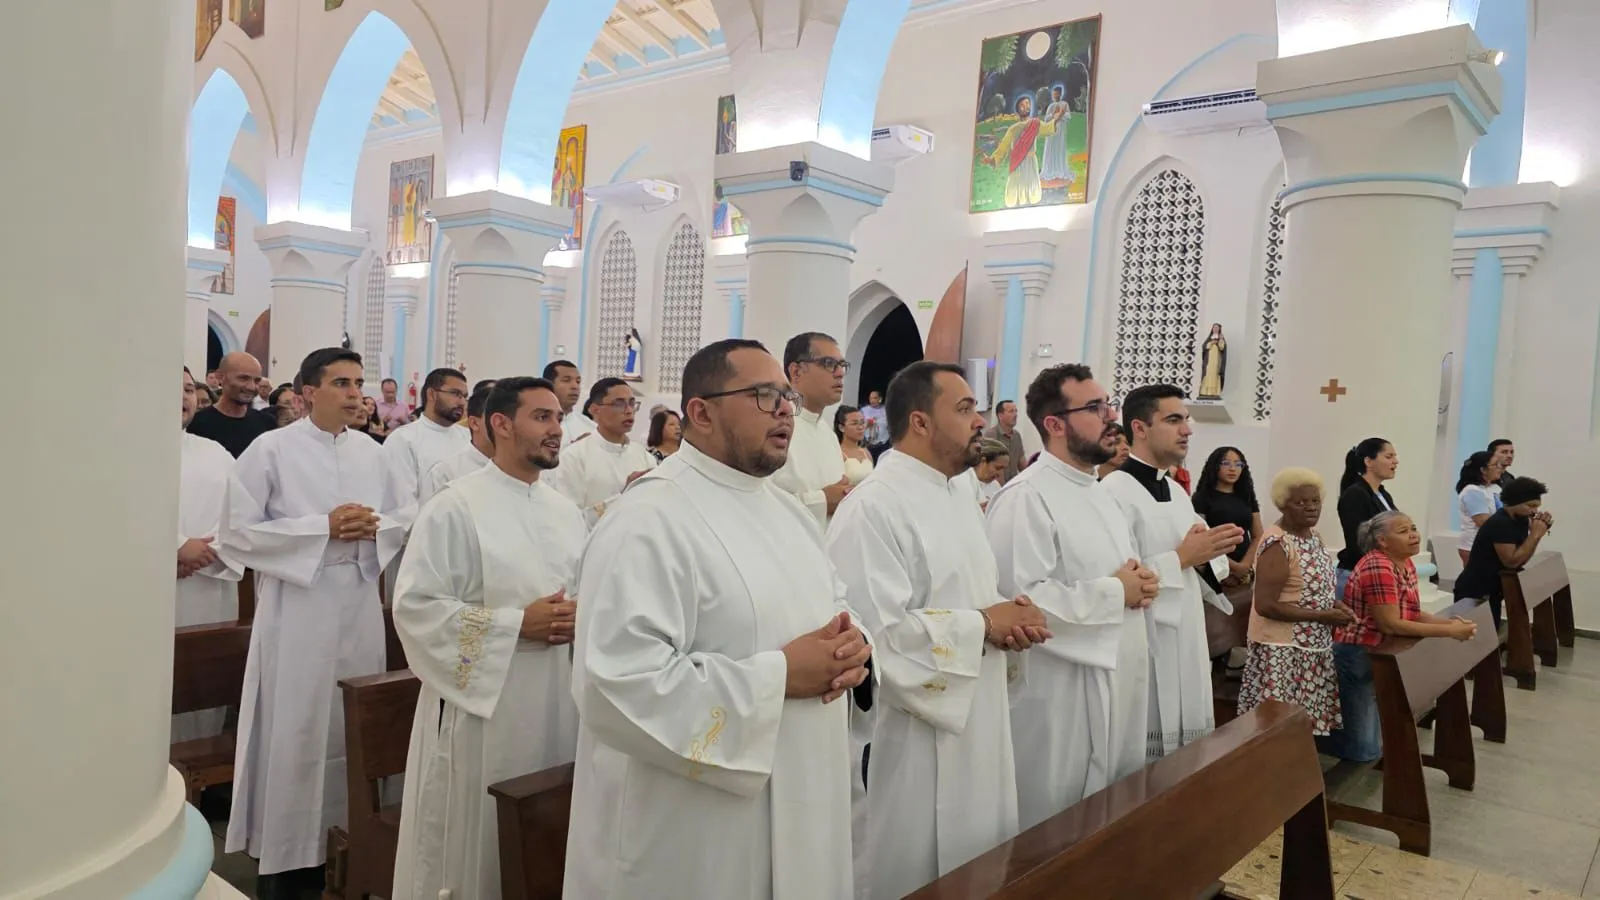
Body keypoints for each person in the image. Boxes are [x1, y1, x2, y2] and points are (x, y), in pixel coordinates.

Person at [564, 339, 872, 899]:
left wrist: (856, 650)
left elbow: (836, 606)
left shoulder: (786, 510)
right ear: (699, 413)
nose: (785, 408)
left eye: (784, 394)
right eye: (763, 395)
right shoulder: (649, 519)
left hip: (804, 799)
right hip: (696, 838)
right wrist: (780, 677)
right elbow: (614, 683)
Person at [828, 362, 1046, 900]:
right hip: (913, 739)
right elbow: (874, 639)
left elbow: (965, 599)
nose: (981, 421)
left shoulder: (956, 495)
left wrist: (1005, 618)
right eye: (966, 409)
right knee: (916, 870)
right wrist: (985, 625)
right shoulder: (873, 508)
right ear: (921, 422)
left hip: (980, 714)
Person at [390, 377, 584, 900]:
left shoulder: (565, 511)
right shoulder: (455, 506)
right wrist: (518, 624)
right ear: (500, 423)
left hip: (560, 702)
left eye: (558, 419)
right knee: (481, 846)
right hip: (486, 709)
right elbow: (416, 608)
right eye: (542, 418)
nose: (556, 430)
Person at [220, 349, 404, 895]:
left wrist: (377, 527)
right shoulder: (271, 449)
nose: (354, 393)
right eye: (340, 383)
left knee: (354, 723)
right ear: (306, 392)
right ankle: (289, 860)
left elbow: (405, 515)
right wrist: (320, 528)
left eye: (358, 383)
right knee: (297, 726)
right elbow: (236, 531)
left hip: (357, 604)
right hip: (297, 609)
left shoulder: (376, 452)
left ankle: (351, 847)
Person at [985, 364, 1158, 828]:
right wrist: (1115, 591)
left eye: (1109, 404)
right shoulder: (1027, 497)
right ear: (1054, 424)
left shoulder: (1098, 492)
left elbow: (1113, 574)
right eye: (1095, 408)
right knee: (1051, 827)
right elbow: (1019, 602)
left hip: (1114, 678)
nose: (1111, 417)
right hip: (1058, 695)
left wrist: (1140, 581)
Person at [1101, 384, 1242, 760]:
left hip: (1187, 633)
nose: (1187, 430)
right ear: (1140, 428)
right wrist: (1181, 556)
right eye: (1174, 419)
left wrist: (1212, 550)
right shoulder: (1113, 492)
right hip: (1145, 640)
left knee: (1187, 751)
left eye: (1187, 420)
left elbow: (1203, 563)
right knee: (1146, 755)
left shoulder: (1176, 492)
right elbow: (1115, 578)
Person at [1324, 511, 1476, 762]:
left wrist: (1450, 624)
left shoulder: (1403, 562)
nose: (1414, 535)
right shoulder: (1378, 565)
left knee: (1375, 740)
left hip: (1383, 654)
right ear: (1382, 541)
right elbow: (1391, 624)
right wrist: (1449, 631)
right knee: (1364, 751)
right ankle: (1306, 745)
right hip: (1358, 655)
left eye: (1413, 528)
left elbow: (1412, 613)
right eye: (1404, 531)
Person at [1236, 468, 1353, 735]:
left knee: (1301, 730)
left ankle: (1295, 771)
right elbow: (1266, 605)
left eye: (1315, 501)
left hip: (1311, 648)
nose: (1311, 508)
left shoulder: (1313, 536)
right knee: (1276, 727)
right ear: (1283, 505)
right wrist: (1324, 616)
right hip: (1282, 651)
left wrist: (1335, 606)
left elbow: (1311, 590)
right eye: (1300, 503)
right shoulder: (1278, 543)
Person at [176, 367, 244, 742]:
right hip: (152, 590)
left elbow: (241, 511)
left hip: (210, 583)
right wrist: (174, 546)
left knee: (203, 684)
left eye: (188, 389)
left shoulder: (214, 452)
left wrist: (207, 550)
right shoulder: (122, 452)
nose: (184, 397)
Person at [1192, 446, 1265, 661]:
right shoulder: (1202, 497)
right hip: (1214, 570)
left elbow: (1258, 534)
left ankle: (1234, 663)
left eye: (1238, 464)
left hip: (1244, 572)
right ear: (1215, 466)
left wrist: (1245, 565)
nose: (1233, 469)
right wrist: (1230, 566)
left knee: (1240, 622)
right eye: (1226, 463)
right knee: (1215, 627)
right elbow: (1200, 535)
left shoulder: (1246, 496)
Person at [549, 377, 655, 526]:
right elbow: (569, 521)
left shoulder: (644, 456)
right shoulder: (574, 457)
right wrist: (623, 497)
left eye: (632, 403)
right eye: (619, 404)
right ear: (594, 409)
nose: (629, 411)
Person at [773, 332, 852, 529]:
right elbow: (756, 501)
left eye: (842, 366)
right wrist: (822, 501)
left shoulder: (828, 434)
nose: (840, 373)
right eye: (828, 364)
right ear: (797, 372)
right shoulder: (774, 425)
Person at [1454, 476, 1552, 628]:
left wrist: (1535, 535)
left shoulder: (1520, 520)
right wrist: (1535, 535)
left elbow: (1521, 559)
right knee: (1478, 639)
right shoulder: (1502, 523)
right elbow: (1511, 561)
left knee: (1492, 632)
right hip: (1476, 591)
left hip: (1494, 590)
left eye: (1537, 506)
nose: (1534, 511)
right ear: (1514, 503)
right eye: (1530, 506)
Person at [384, 367, 471, 517]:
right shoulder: (403, 440)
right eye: (455, 394)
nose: (462, 402)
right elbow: (402, 507)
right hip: (425, 534)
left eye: (464, 396)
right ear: (431, 394)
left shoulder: (468, 437)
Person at [1335, 438, 1399, 601]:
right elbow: (1357, 541)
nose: (1395, 461)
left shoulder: (1383, 494)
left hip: (1381, 570)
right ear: (1368, 461)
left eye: (1395, 457)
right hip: (1360, 574)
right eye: (1389, 456)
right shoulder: (1355, 494)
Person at [417, 382, 496, 504]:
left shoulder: (527, 471)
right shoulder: (446, 473)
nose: (508, 426)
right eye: (497, 419)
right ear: (475, 423)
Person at [188, 351, 275, 457]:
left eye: (257, 381)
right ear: (220, 377)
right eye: (243, 378)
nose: (251, 386)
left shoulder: (268, 424)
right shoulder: (196, 424)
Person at [1455, 451, 1505, 566]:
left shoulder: (1495, 488)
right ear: (1483, 470)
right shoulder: (1473, 491)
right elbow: (1483, 522)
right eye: (1495, 465)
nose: (1500, 468)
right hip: (1474, 544)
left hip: (1493, 543)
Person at [544, 359, 596, 447]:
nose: (575, 386)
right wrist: (574, 450)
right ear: (548, 385)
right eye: (566, 380)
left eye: (578, 382)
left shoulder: (591, 427)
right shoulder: (536, 425)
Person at [984, 400, 1027, 482]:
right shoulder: (991, 435)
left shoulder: (1016, 435)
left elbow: (1023, 464)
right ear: (1000, 416)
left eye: (1016, 411)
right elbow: (994, 468)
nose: (1015, 415)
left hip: (1013, 485)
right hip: (997, 487)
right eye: (1011, 411)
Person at [833, 405, 875, 486]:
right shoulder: (837, 453)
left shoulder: (866, 453)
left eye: (862, 422)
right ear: (841, 427)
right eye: (854, 423)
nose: (860, 427)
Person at [970, 438, 1010, 510]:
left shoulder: (995, 486)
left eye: (1003, 469)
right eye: (997, 468)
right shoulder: (965, 483)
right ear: (983, 461)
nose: (1000, 474)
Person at [861, 389, 890, 459]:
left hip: (883, 445)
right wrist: (867, 424)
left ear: (880, 399)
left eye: (875, 398)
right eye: (870, 398)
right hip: (868, 444)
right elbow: (860, 426)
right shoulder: (864, 410)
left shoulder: (886, 410)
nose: (872, 400)